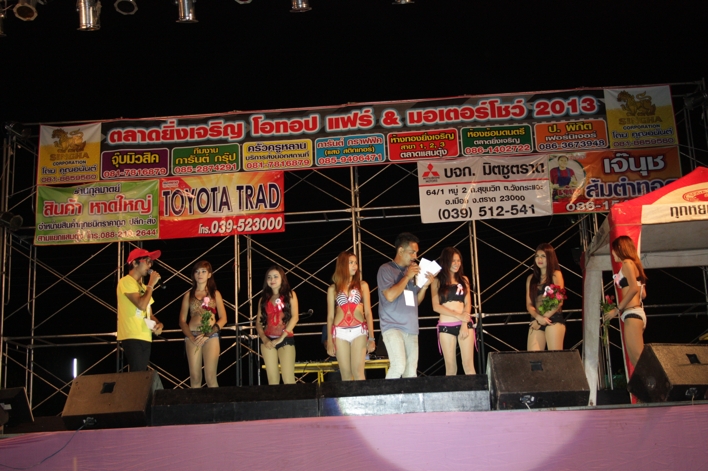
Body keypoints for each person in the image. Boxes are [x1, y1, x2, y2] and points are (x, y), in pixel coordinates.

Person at [377, 232, 433, 379]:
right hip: (393, 326)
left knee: (411, 373)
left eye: (416, 252)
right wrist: (407, 276)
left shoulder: (412, 273)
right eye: (412, 252)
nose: (415, 256)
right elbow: (390, 296)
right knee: (398, 366)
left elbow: (415, 302)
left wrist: (425, 286)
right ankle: (386, 394)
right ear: (401, 250)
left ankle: (407, 396)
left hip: (411, 328)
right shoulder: (386, 269)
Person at [326, 251, 376, 381]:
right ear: (342, 265)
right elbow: (330, 317)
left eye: (356, 263)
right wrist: (330, 341)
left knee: (358, 372)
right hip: (340, 333)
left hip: (359, 331)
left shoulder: (363, 285)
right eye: (351, 263)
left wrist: (372, 337)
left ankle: (362, 396)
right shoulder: (333, 289)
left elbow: (368, 313)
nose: (355, 266)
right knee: (346, 375)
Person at [178, 260, 228, 388]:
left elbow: (223, 318)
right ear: (193, 275)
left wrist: (208, 334)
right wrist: (190, 337)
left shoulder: (215, 294)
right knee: (195, 377)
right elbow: (182, 320)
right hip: (192, 336)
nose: (200, 274)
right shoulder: (188, 295)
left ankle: (215, 402)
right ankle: (195, 401)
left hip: (210, 336)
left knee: (210, 377)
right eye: (197, 271)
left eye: (203, 271)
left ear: (209, 274)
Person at [116, 248, 164, 372]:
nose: (150, 265)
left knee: (141, 374)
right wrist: (151, 285)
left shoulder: (144, 287)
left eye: (151, 262)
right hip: (132, 334)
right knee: (137, 374)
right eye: (147, 261)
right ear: (135, 263)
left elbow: (149, 313)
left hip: (145, 335)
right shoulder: (126, 281)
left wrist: (158, 324)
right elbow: (141, 305)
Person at [603, 236, 647, 367]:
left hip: (632, 314)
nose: (612, 253)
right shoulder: (635, 264)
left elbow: (633, 289)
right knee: (636, 361)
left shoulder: (627, 263)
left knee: (638, 360)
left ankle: (656, 380)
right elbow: (643, 294)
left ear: (620, 248)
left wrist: (617, 309)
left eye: (613, 250)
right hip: (636, 313)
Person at [431, 247, 475, 375]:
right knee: (450, 368)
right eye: (453, 261)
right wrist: (458, 316)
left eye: (458, 260)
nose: (457, 263)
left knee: (468, 365)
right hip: (446, 325)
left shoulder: (464, 280)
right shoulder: (437, 281)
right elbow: (436, 306)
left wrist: (464, 323)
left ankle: (474, 389)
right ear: (446, 261)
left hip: (464, 324)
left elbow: (468, 304)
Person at [255, 265, 299, 385]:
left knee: (288, 379)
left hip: (285, 339)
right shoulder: (263, 299)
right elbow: (258, 322)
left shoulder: (290, 295)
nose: (272, 280)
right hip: (268, 340)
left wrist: (281, 338)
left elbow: (295, 317)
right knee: (273, 380)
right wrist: (264, 338)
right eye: (269, 277)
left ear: (282, 278)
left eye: (275, 276)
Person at [526, 243, 566, 351]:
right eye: (537, 256)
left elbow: (559, 300)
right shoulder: (531, 278)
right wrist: (538, 318)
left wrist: (542, 320)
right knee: (533, 358)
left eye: (543, 256)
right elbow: (529, 304)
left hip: (553, 319)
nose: (539, 259)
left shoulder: (556, 274)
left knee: (555, 357)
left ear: (550, 258)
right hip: (536, 320)